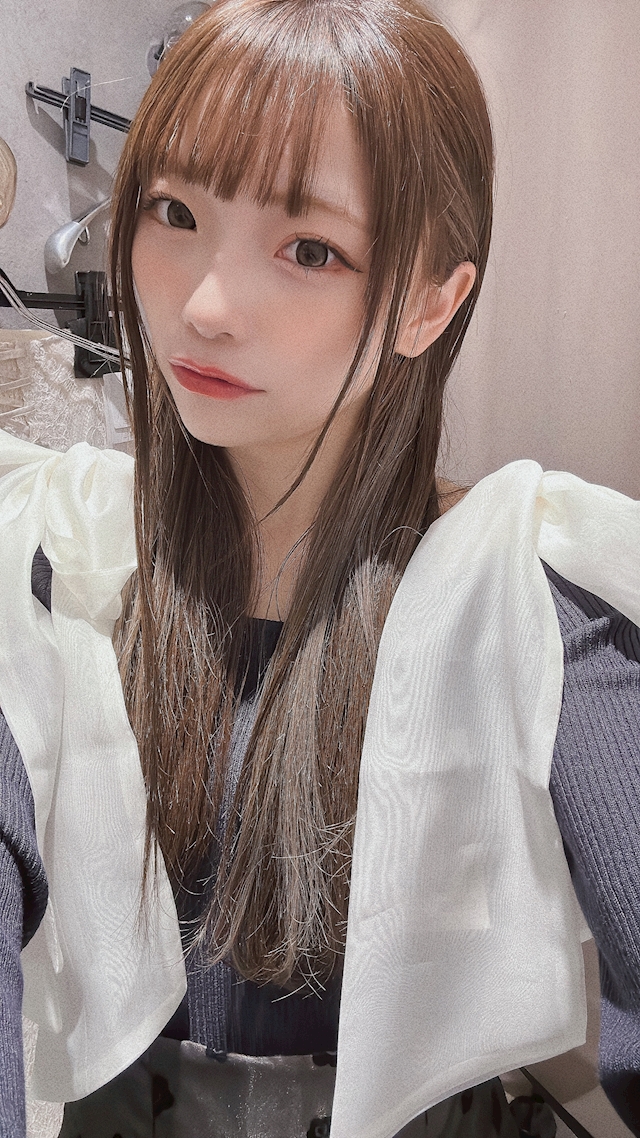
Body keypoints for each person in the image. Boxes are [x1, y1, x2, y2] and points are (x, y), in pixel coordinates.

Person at [0, 1, 639, 1136]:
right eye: (174, 212)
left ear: (431, 302)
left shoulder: (527, 595)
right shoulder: (53, 560)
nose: (203, 308)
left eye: (309, 250)